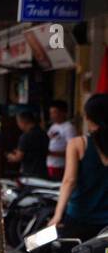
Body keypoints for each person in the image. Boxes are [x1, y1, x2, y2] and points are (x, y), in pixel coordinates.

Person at [50, 93, 108, 240]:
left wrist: (57, 215)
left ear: (88, 117)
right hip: (105, 225)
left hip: (79, 219)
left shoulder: (78, 144)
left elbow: (69, 181)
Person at [7, 109, 48, 178]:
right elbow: (36, 150)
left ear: (23, 121)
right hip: (43, 172)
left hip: (29, 173)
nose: (18, 125)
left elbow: (18, 157)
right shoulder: (44, 134)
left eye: (18, 122)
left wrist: (9, 156)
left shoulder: (25, 136)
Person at [48, 100, 77, 182]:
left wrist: (51, 153)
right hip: (50, 164)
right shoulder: (53, 126)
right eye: (51, 113)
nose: (52, 115)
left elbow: (72, 150)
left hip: (60, 165)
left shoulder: (69, 128)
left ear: (63, 113)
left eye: (55, 112)